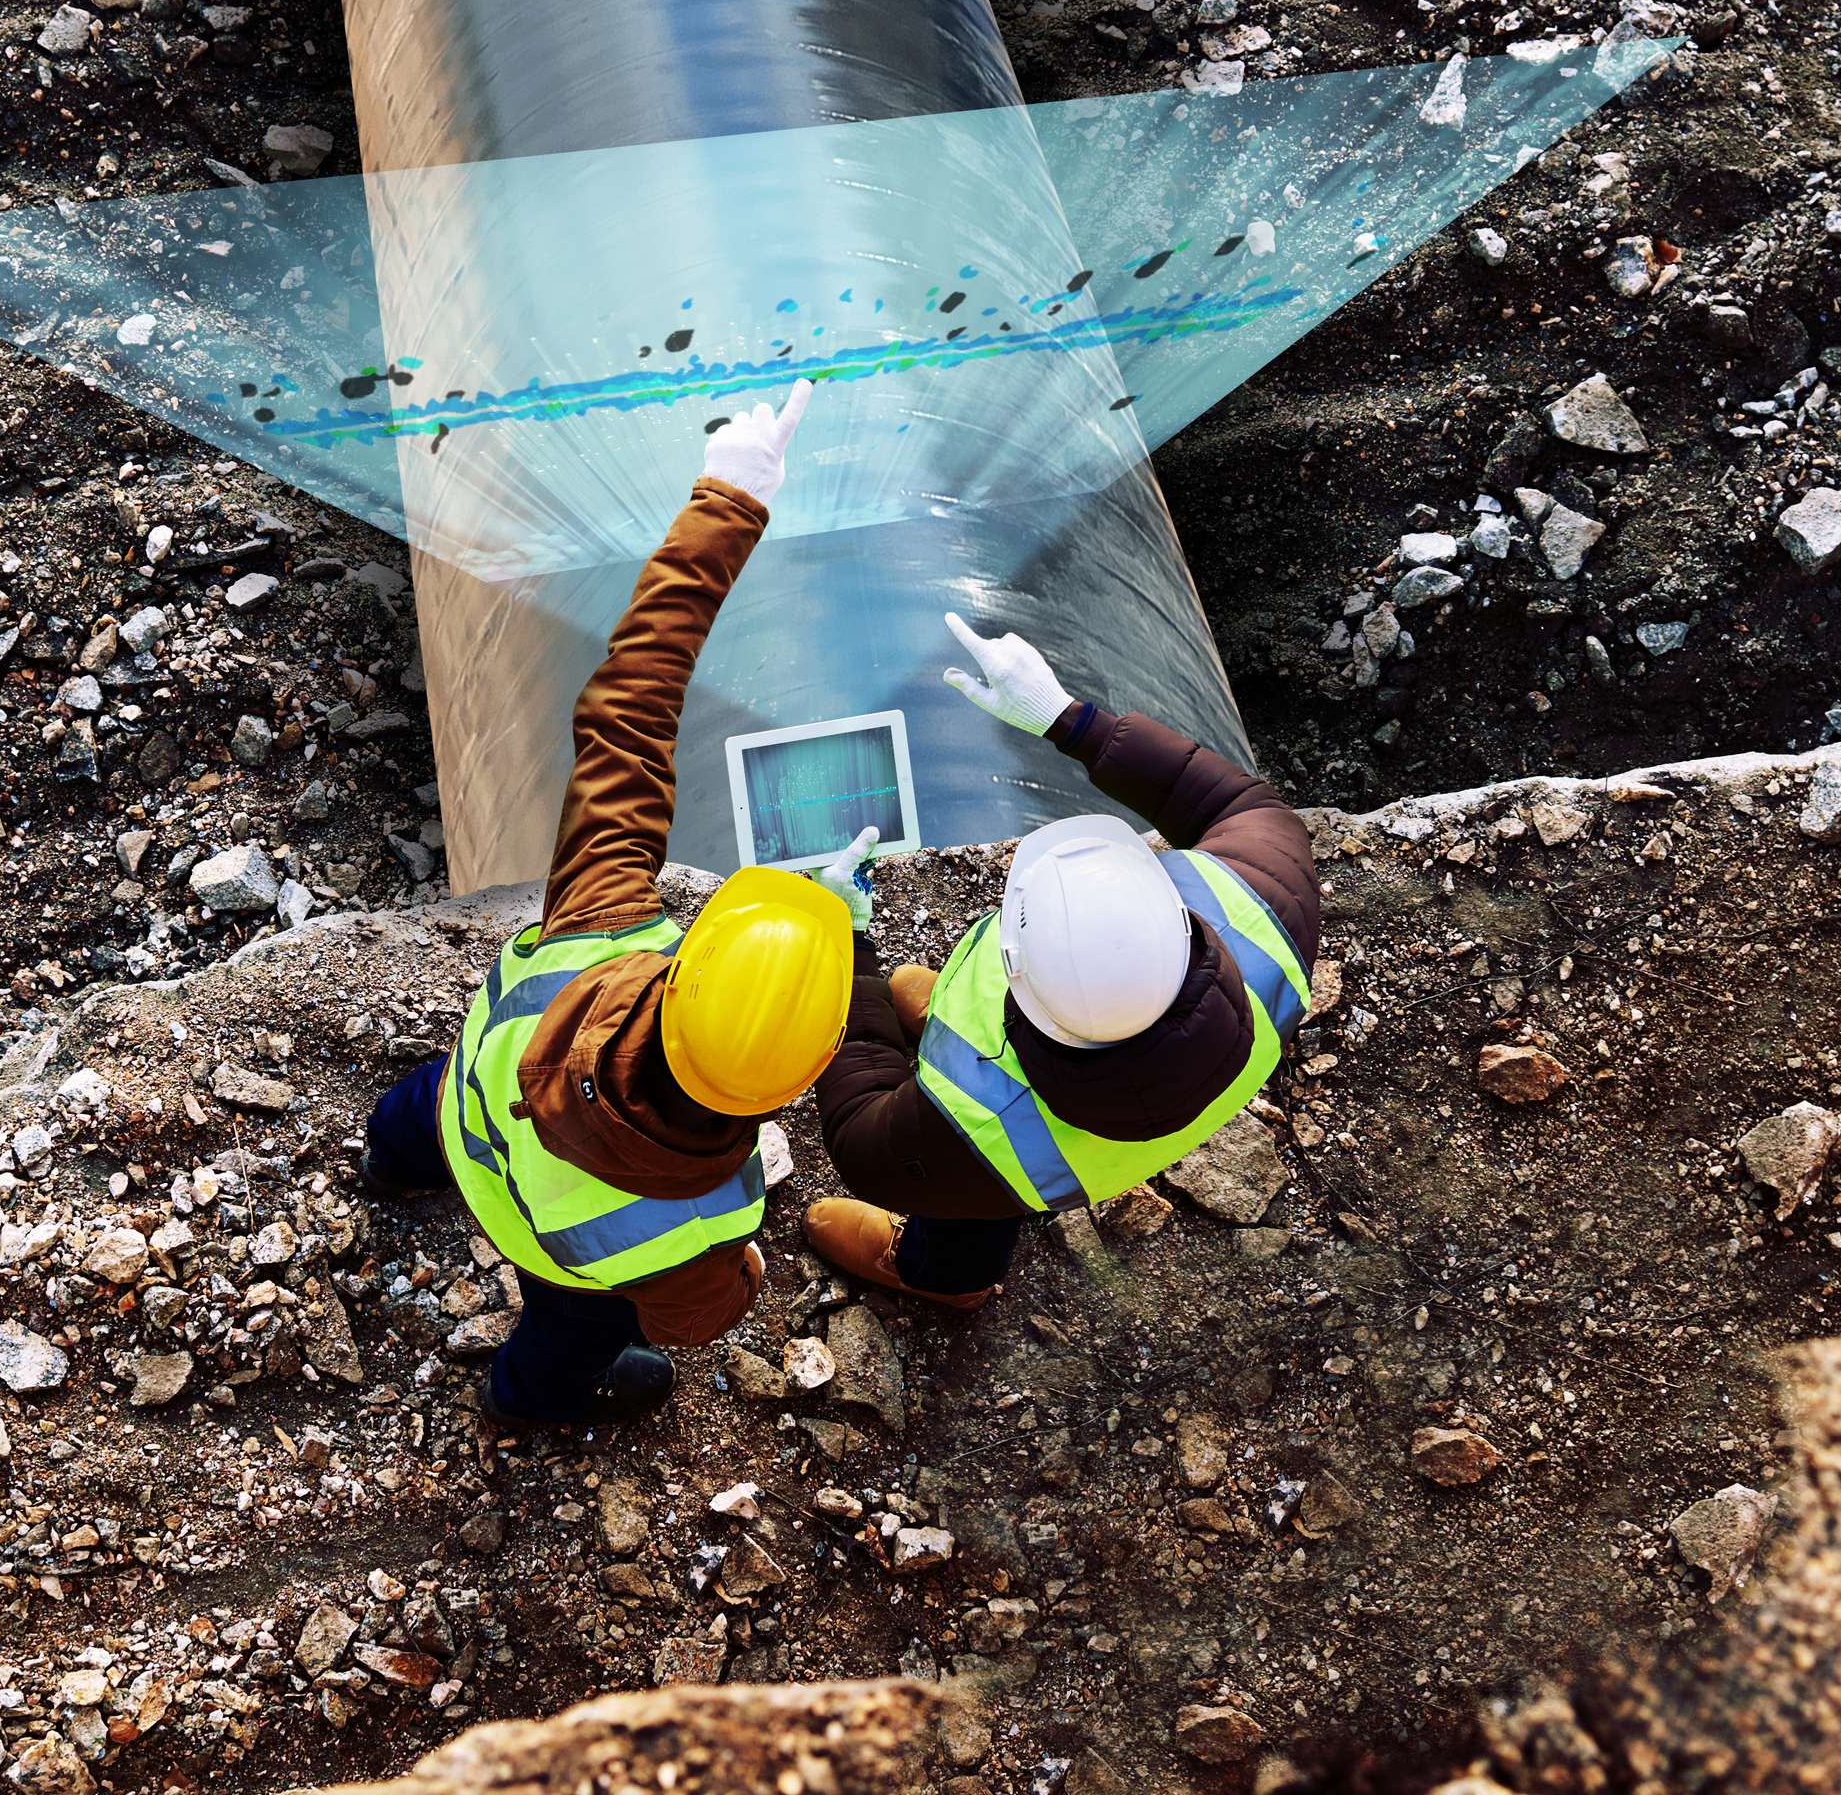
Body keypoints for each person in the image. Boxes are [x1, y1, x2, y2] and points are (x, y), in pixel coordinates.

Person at [360, 383, 858, 1424]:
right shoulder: (718, 1209)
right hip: (559, 1257)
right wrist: (747, 1281)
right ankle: (521, 1409)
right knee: (575, 1338)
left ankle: (390, 1168)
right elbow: (693, 1313)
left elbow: (632, 697)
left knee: (416, 1114)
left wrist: (731, 493)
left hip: (468, 1116)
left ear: (688, 967)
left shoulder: (604, 921)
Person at [807, 612, 1323, 1307]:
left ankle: (946, 1278)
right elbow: (1235, 800)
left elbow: (858, 1127)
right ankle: (944, 1041)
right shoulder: (1267, 920)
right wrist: (1067, 717)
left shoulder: (980, 1126)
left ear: (1013, 977)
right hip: (1167, 1086)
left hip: (1004, 1153)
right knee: (983, 1164)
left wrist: (849, 947)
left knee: (972, 1202)